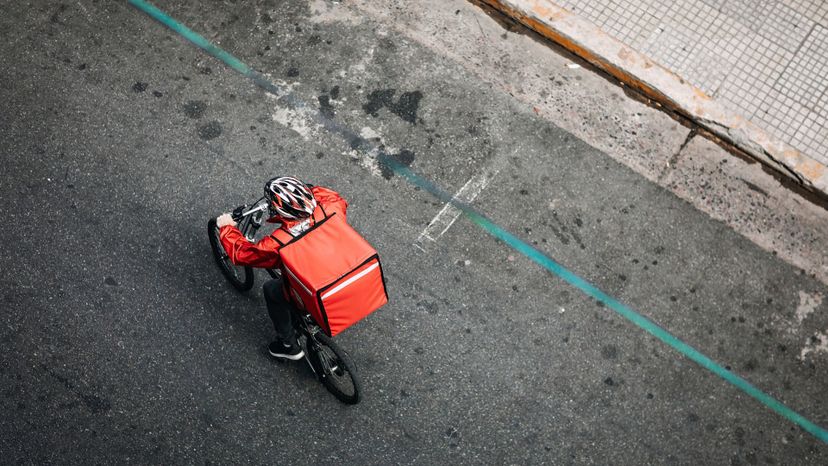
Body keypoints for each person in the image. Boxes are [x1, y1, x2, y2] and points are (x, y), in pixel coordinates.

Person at [216, 176, 348, 360]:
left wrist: (227, 227)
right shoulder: (332, 207)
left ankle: (288, 345)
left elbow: (242, 254)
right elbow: (332, 196)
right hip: (344, 267)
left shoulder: (278, 243)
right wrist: (306, 191)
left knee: (271, 290)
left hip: (315, 284)